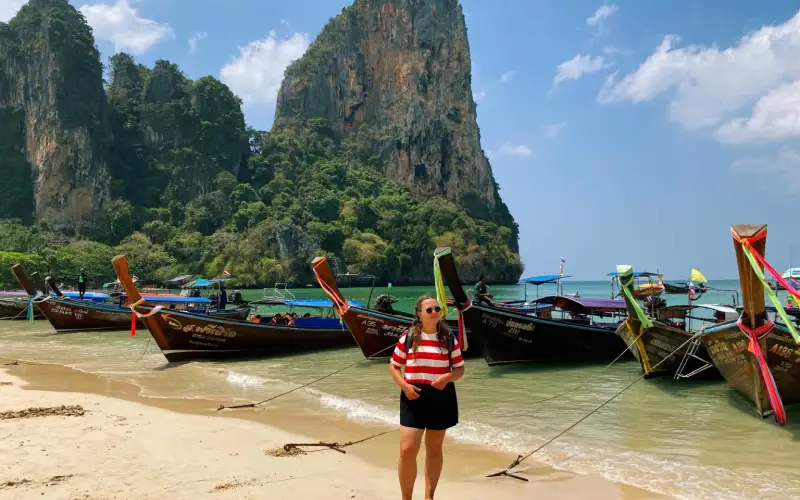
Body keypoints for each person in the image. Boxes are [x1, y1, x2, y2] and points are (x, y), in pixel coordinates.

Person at [389, 295, 465, 500]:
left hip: (441, 395)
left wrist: (446, 378)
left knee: (434, 450)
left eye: (437, 309)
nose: (435, 312)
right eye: (429, 310)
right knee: (407, 449)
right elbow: (394, 366)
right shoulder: (409, 337)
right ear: (419, 314)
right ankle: (406, 498)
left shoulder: (449, 338)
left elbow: (459, 370)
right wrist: (404, 386)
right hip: (412, 394)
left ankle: (429, 497)